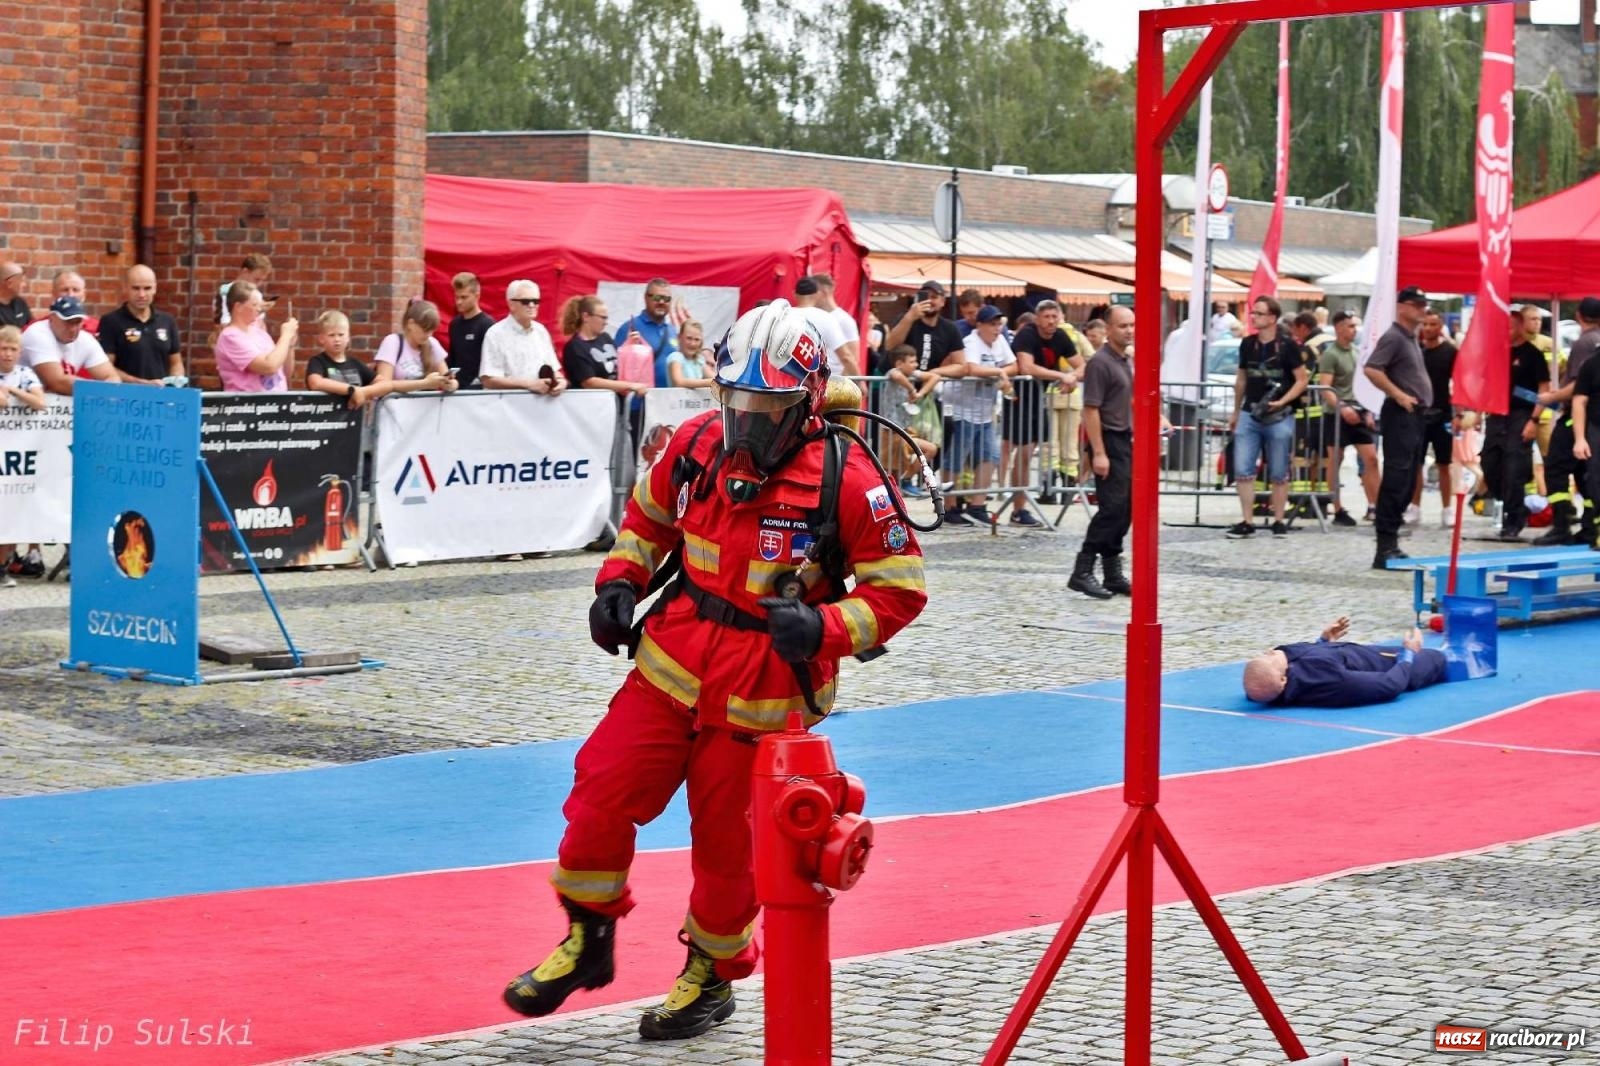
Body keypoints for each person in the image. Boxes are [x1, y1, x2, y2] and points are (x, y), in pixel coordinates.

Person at [502, 300, 927, 1039]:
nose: (747, 420)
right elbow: (646, 518)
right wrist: (617, 584)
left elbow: (901, 589)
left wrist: (825, 627)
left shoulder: (849, 480)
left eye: (766, 405)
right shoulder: (697, 442)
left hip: (763, 698)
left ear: (804, 403)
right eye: (737, 401)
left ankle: (710, 976)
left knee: (730, 856)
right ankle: (588, 936)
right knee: (600, 792)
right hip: (671, 665)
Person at [1070, 305, 1137, 599]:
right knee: (1111, 508)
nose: (1129, 330)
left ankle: (1111, 571)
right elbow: (1091, 409)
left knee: (1125, 509)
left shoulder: (1124, 360)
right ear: (1108, 329)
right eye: (1123, 326)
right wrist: (1098, 452)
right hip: (1108, 439)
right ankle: (1082, 570)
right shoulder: (1100, 362)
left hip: (1124, 439)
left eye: (1132, 325)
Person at [1227, 296, 1307, 538]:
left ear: (1272, 318)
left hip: (1280, 415)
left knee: (1279, 469)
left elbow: (1302, 380)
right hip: (1250, 413)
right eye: (1253, 313)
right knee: (1243, 468)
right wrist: (1236, 411)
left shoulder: (1287, 346)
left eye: (1259, 314)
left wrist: (1283, 401)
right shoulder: (1247, 344)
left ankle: (1279, 520)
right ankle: (1247, 520)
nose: (1254, 317)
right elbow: (1241, 378)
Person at [1364, 287, 1433, 567]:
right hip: (1401, 414)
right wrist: (1399, 395)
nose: (1422, 310)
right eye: (1416, 305)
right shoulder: (1394, 336)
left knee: (1406, 480)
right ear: (1402, 307)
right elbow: (1372, 368)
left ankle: (1391, 542)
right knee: (1397, 477)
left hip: (1415, 416)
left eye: (1424, 305)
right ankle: (1384, 545)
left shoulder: (1410, 338)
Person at [1242, 616, 1448, 708]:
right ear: (1283, 679)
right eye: (1270, 657)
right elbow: (1389, 685)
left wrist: (1323, 642)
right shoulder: (1328, 678)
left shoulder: (1288, 661)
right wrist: (1409, 656)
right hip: (1391, 665)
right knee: (1438, 658)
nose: (1271, 651)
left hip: (1354, 653)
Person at [1004, 299, 1081, 527]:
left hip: (1038, 397)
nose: (1050, 322)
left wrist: (1073, 378)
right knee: (1024, 452)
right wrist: (1061, 376)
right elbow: (1026, 367)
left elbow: (1083, 364)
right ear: (1037, 319)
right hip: (1018, 396)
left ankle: (1021, 506)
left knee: (1032, 450)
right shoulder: (1027, 335)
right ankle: (1018, 508)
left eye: (1054, 317)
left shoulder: (1061, 336)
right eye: (1046, 317)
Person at [1478, 304, 1550, 541]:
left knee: (1514, 467)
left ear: (1520, 326)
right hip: (1497, 414)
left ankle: (1514, 519)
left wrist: (1534, 420)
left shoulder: (1533, 354)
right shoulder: (1497, 352)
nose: (1506, 330)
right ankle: (1509, 503)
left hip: (1522, 415)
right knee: (1490, 464)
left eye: (1510, 325)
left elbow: (1543, 389)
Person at [1532, 297, 1599, 546]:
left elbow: (1578, 387)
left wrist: (1551, 396)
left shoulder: (1584, 343)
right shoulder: (1596, 341)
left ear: (1580, 315)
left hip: (1575, 417)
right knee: (1586, 474)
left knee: (1556, 468)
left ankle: (1561, 523)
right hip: (1591, 420)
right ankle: (1590, 526)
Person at [946, 305, 1013, 525]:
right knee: (956, 459)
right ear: (980, 325)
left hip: (985, 411)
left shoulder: (1000, 341)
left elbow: (1014, 365)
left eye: (999, 324)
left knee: (990, 456)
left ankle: (977, 505)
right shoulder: (971, 342)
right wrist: (998, 372)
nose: (997, 329)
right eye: (992, 324)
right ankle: (948, 507)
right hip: (962, 409)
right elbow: (971, 368)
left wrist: (1000, 371)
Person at [1316, 310, 1379, 527]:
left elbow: (1363, 385)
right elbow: (1326, 388)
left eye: (1355, 326)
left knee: (1371, 459)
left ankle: (1374, 506)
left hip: (1358, 410)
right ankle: (1338, 508)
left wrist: (1368, 409)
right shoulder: (1330, 354)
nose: (1354, 330)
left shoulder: (1356, 352)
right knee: (1336, 460)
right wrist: (1342, 407)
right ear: (1339, 328)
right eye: (1350, 326)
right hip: (1336, 414)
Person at [0, 325, 46, 589]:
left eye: (13, 349)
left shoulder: (24, 374)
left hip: (15, 452)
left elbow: (40, 402)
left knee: (11, 507)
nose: (7, 354)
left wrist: (14, 391)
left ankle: (3, 566)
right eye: (4, 348)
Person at [97, 265, 183, 386]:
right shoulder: (111, 322)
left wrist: (176, 382)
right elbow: (105, 368)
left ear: (155, 288)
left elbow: (176, 362)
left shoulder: (167, 321)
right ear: (125, 288)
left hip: (162, 396)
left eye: (147, 288)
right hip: (126, 398)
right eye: (136, 288)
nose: (142, 294)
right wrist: (141, 383)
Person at [480, 280, 566, 395]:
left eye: (536, 301)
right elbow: (488, 380)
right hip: (506, 408)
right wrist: (529, 384)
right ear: (511, 304)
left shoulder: (541, 331)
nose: (531, 305)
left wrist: (561, 382)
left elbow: (553, 370)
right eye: (525, 301)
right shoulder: (495, 334)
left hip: (540, 406)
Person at [20, 296, 118, 395]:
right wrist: (103, 391)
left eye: (77, 322)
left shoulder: (86, 339)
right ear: (52, 318)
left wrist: (105, 390)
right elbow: (57, 382)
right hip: (20, 403)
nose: (73, 329)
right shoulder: (37, 333)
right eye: (68, 322)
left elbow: (112, 377)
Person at [213, 281, 297, 393]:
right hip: (249, 406)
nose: (259, 309)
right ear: (239, 307)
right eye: (254, 305)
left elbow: (285, 372)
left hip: (276, 403)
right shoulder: (230, 336)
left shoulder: (260, 333)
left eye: (260, 305)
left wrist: (289, 345)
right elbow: (269, 367)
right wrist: (285, 336)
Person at [1415, 310, 1458, 528]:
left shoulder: (1450, 352)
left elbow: (1458, 382)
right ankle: (1414, 507)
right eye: (1426, 324)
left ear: (1441, 326)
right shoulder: (1417, 351)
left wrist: (1459, 412)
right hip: (1420, 413)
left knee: (1444, 463)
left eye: (1434, 324)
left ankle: (1447, 508)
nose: (1429, 328)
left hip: (1442, 412)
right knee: (1417, 463)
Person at [560, 294, 647, 400]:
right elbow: (589, 381)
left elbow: (618, 363)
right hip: (591, 407)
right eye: (603, 318)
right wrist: (629, 385)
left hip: (616, 404)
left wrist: (628, 347)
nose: (606, 323)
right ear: (586, 317)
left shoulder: (605, 337)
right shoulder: (574, 347)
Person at [882, 344, 939, 495]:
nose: (916, 365)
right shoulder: (893, 371)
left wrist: (920, 394)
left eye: (916, 361)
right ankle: (896, 491)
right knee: (890, 469)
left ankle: (905, 480)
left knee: (930, 449)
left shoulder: (913, 374)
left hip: (905, 429)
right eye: (912, 362)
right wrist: (912, 389)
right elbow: (897, 376)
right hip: (890, 429)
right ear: (899, 363)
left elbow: (935, 377)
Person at [373, 300, 455, 394]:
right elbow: (382, 385)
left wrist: (450, 384)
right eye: (425, 330)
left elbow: (447, 377)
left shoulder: (432, 343)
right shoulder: (393, 342)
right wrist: (424, 384)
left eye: (432, 331)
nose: (429, 335)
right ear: (411, 324)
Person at [612, 278, 679, 388]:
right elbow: (616, 369)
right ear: (646, 297)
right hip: (639, 400)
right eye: (657, 297)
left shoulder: (672, 330)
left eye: (666, 299)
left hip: (670, 400)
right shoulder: (629, 328)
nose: (661, 302)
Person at [305, 311, 379, 407]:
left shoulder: (355, 363)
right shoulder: (317, 361)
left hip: (354, 419)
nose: (337, 339)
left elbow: (381, 381)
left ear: (348, 337)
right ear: (321, 338)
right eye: (331, 335)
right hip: (327, 419)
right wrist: (351, 390)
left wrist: (364, 392)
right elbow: (315, 383)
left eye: (341, 335)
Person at [1570, 321, 1600, 550]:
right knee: (1597, 482)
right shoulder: (1592, 364)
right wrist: (1580, 439)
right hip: (1596, 430)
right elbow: (1579, 401)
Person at [792, 277, 854, 378]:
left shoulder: (784, 315)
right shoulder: (826, 318)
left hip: (789, 382)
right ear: (817, 295)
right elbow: (846, 356)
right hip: (819, 382)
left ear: (794, 294)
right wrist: (860, 383)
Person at [447, 272, 494, 389]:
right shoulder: (454, 324)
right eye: (456, 297)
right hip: (456, 389)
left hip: (479, 391)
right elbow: (453, 359)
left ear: (477, 296)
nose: (459, 302)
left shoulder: (488, 325)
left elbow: (491, 364)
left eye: (464, 297)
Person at [810, 273, 862, 377]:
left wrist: (841, 383)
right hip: (815, 381)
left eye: (812, 293)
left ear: (822, 293)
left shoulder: (844, 320)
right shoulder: (814, 316)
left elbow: (852, 356)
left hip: (833, 380)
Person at [218, 254, 273, 326]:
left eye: (262, 280)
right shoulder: (225, 291)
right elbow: (222, 323)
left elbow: (260, 324)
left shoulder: (257, 294)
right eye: (257, 279)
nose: (259, 284)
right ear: (245, 272)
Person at [665, 320, 714, 389]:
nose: (692, 343)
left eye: (697, 339)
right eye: (689, 338)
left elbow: (715, 378)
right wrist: (708, 382)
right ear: (679, 338)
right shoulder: (675, 357)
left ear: (701, 342)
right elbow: (679, 382)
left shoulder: (699, 360)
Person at [0, 263, 29, 329]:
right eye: (22, 281)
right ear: (9, 283)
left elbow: (30, 326)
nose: (24, 285)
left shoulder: (20, 303)